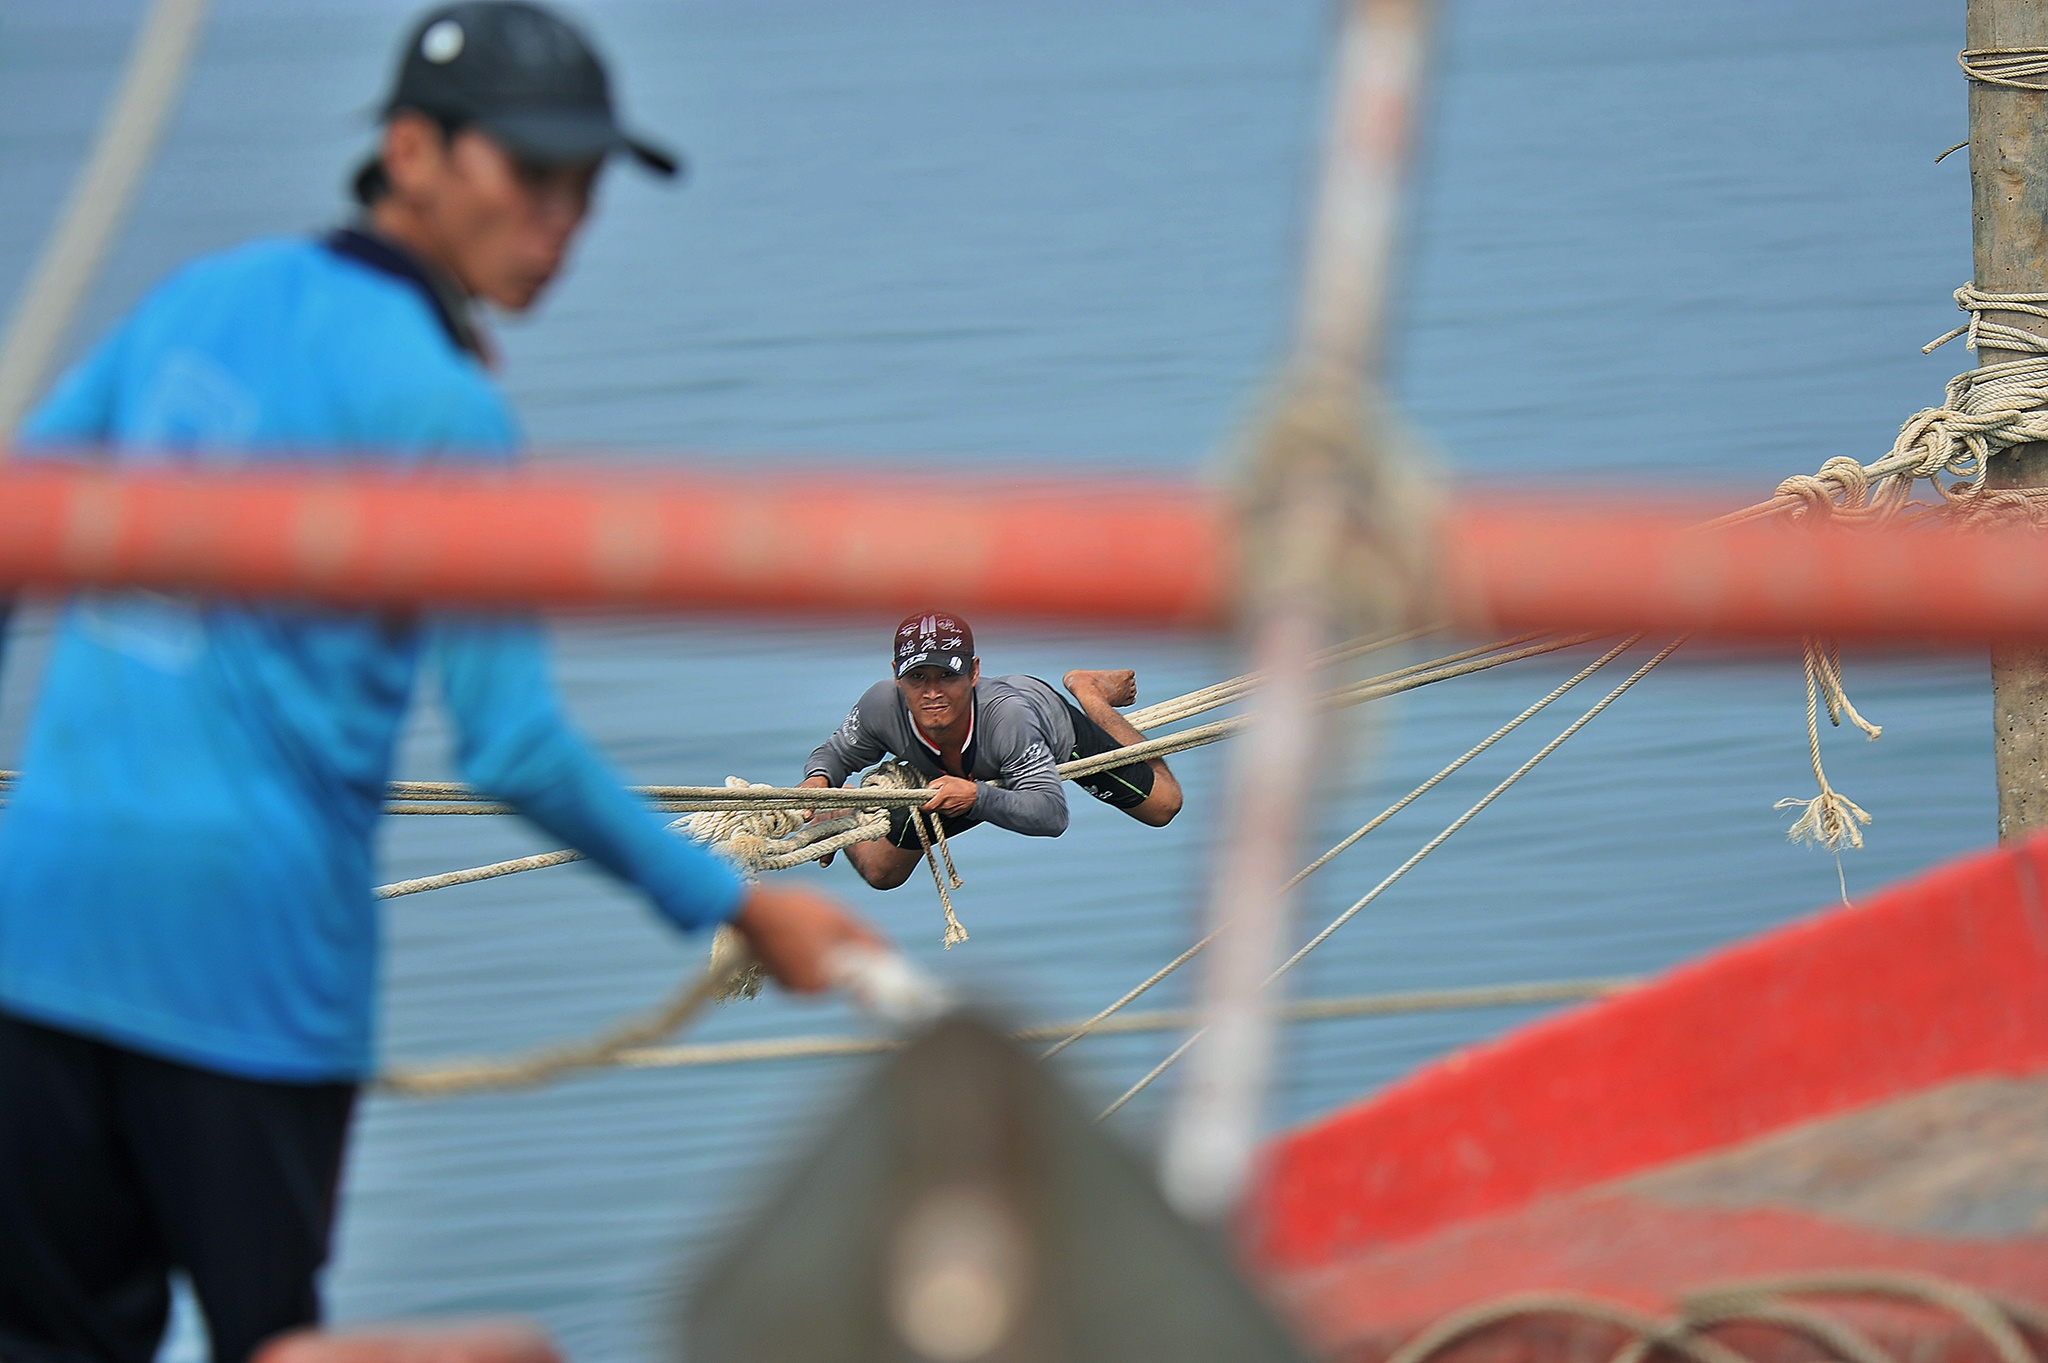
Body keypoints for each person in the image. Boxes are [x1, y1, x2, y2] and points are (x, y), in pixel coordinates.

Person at [0, 6, 883, 1363]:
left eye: (584, 190)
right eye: (529, 178)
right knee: (272, 1345)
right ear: (409, 150)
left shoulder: (200, 298)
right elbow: (514, 746)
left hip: (44, 931)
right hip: (247, 965)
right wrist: (739, 899)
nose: (560, 225)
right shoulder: (444, 407)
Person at [800, 610, 1184, 890]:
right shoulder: (879, 706)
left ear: (974, 672)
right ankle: (840, 808)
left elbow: (1052, 815)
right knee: (883, 875)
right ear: (898, 675)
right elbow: (835, 752)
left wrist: (976, 797)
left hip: (1040, 740)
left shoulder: (1011, 720)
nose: (932, 693)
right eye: (917, 678)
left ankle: (1087, 688)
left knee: (1164, 806)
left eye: (947, 676)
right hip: (959, 780)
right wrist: (819, 779)